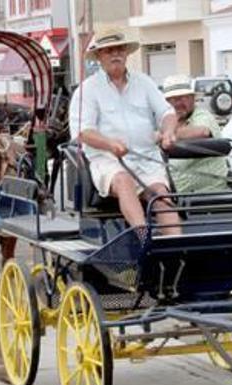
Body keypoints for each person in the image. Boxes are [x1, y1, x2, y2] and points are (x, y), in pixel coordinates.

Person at [68, 28, 180, 235]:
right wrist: (110, 144)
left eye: (119, 49)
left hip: (147, 158)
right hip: (108, 161)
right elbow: (83, 131)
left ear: (126, 53)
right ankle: (144, 239)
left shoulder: (144, 82)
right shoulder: (88, 89)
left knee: (161, 196)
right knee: (123, 181)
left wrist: (168, 132)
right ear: (99, 56)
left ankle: (177, 248)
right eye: (109, 50)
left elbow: (166, 112)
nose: (115, 54)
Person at [162, 74, 230, 193]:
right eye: (173, 99)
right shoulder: (162, 121)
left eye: (183, 98)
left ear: (193, 98)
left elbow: (203, 131)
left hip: (206, 193)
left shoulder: (202, 115)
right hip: (169, 194)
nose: (178, 103)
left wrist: (164, 135)